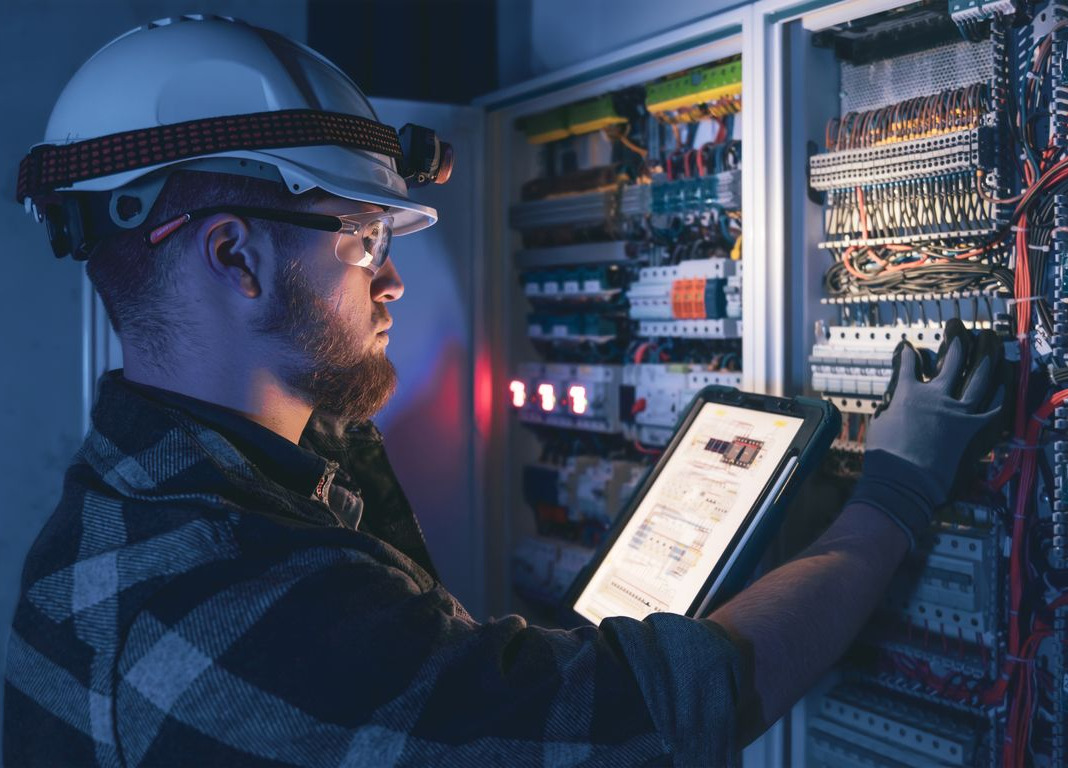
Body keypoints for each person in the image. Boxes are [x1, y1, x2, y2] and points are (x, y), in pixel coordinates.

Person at [3, 15, 1005, 767]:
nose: (389, 280)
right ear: (236, 256)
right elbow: (668, 711)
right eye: (363, 240)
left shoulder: (129, 517)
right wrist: (900, 487)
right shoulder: (244, 597)